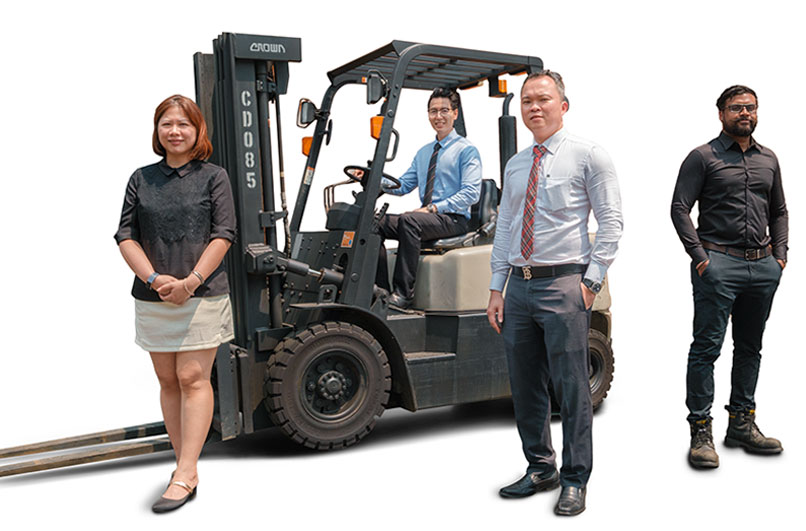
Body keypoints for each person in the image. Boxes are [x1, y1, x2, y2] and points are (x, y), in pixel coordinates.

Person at [486, 71, 622, 516]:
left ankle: (576, 479)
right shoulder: (517, 164)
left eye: (543, 99)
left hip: (565, 283)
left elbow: (611, 222)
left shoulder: (588, 156)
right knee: (525, 385)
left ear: (563, 106)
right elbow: (506, 226)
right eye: (527, 101)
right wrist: (496, 287)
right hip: (520, 288)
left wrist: (590, 283)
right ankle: (540, 467)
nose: (534, 107)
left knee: (572, 387)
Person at [114, 94, 236, 513]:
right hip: (153, 294)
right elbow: (125, 235)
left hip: (201, 293)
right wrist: (154, 278)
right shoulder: (142, 178)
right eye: (167, 123)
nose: (175, 131)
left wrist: (191, 281)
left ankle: (184, 472)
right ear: (157, 131)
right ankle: (188, 468)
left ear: (197, 130)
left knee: (191, 378)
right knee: (167, 380)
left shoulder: (213, 177)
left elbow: (224, 234)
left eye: (183, 124)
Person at [671, 85, 787, 469]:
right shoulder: (702, 157)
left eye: (751, 108)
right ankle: (700, 430)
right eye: (737, 108)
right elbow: (679, 208)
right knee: (707, 348)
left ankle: (742, 422)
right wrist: (701, 258)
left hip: (762, 266)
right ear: (720, 113)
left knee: (750, 347)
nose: (745, 114)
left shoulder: (768, 159)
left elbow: (780, 210)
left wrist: (780, 257)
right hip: (718, 266)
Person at [376, 87, 482, 309]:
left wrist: (433, 208)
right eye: (433, 111)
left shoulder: (466, 150)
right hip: (427, 219)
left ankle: (403, 294)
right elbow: (403, 185)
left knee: (409, 220)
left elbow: (471, 193)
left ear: (455, 113)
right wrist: (374, 180)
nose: (438, 116)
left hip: (452, 219)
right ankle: (379, 290)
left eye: (444, 110)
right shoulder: (424, 152)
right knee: (373, 223)